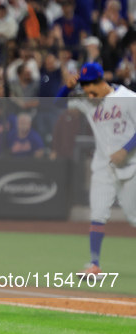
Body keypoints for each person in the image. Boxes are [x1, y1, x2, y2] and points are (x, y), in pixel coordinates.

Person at [57, 62, 136, 278]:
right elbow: (55, 104)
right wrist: (67, 87)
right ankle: (94, 264)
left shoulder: (128, 98)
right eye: (86, 91)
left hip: (131, 166)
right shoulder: (87, 101)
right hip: (103, 167)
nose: (89, 96)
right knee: (98, 214)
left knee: (133, 217)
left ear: (101, 82)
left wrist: (125, 149)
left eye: (91, 90)